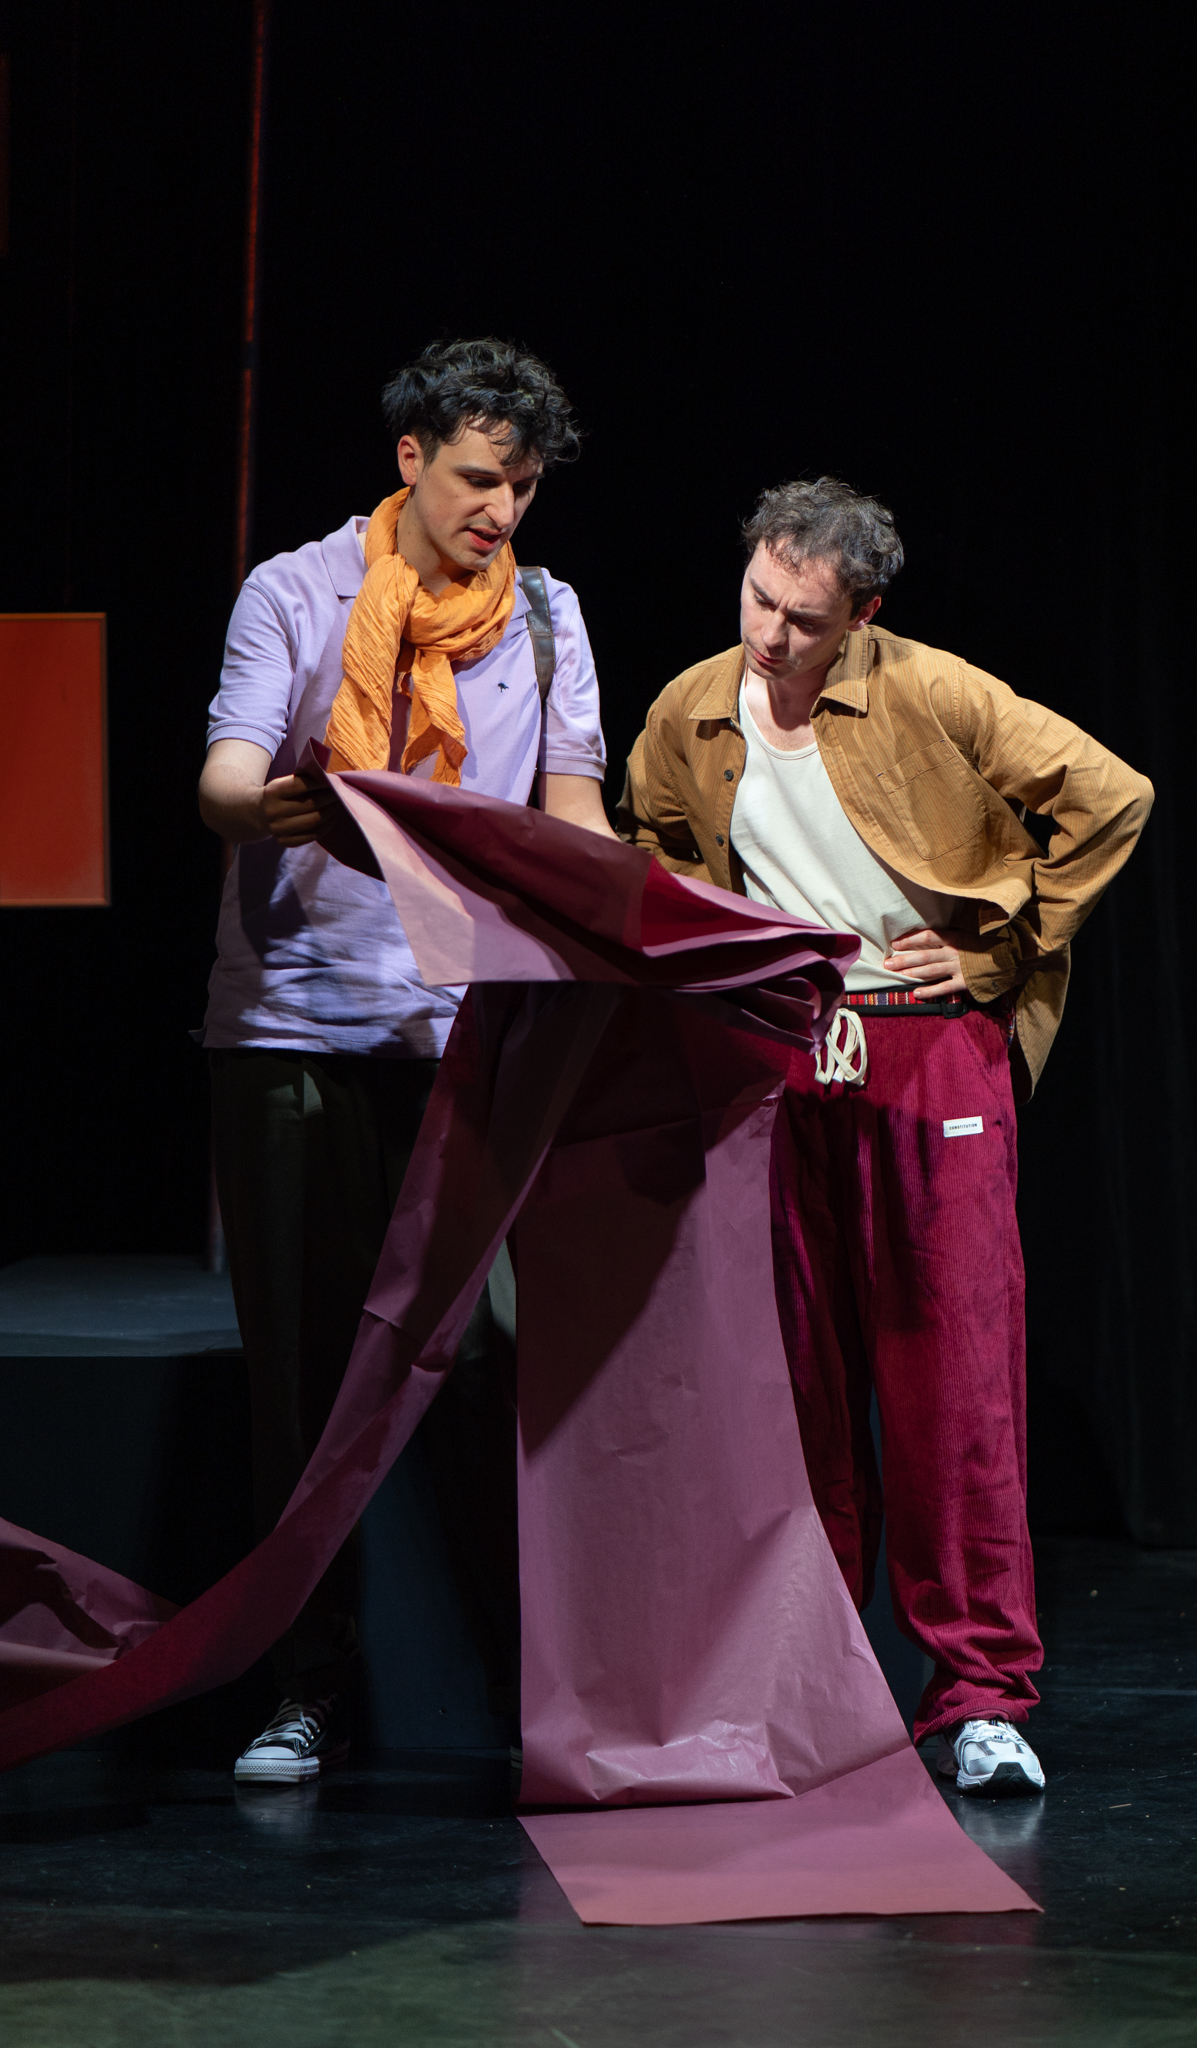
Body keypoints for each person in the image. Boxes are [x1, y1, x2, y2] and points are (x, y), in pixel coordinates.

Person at [617, 477, 1153, 1796]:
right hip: (780, 1057)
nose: (769, 636)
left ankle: (979, 1695)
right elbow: (652, 849)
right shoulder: (690, 710)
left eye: (802, 619)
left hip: (927, 1050)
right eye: (758, 599)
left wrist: (1002, 947)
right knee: (795, 1383)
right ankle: (814, 1681)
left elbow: (1112, 796)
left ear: (859, 614)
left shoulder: (932, 690)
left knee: (951, 1379)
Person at [198, 337, 615, 1784]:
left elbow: (573, 812)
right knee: (302, 1376)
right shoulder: (298, 590)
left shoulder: (548, 617)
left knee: (495, 1362)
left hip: (471, 1033)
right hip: (296, 1027)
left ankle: (533, 1691)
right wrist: (282, 806)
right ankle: (303, 1686)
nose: (502, 510)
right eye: (480, 479)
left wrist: (641, 913)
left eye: (525, 487)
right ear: (410, 460)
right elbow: (225, 778)